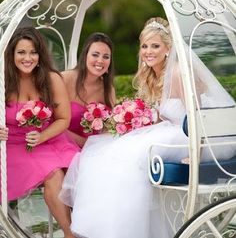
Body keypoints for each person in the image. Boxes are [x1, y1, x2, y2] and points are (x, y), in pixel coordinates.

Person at [60, 17, 236, 238]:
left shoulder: (178, 73)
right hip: (172, 130)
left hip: (193, 137)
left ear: (167, 49)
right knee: (104, 153)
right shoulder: (155, 75)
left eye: (155, 46)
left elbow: (198, 118)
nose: (148, 51)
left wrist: (196, 153)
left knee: (127, 157)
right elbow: (163, 118)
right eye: (145, 46)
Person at [0, 26, 79, 238]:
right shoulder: (3, 80)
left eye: (33, 52)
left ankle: (78, 231)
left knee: (66, 171)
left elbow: (64, 118)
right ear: (12, 54)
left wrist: (41, 136)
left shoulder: (51, 78)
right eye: (21, 52)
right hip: (13, 147)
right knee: (50, 173)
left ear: (40, 54)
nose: (28, 58)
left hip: (49, 140)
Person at [62, 32, 116, 148]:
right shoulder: (64, 80)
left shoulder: (108, 89)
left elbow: (109, 130)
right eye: (95, 55)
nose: (100, 61)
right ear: (85, 55)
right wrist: (83, 143)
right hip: (60, 143)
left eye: (106, 57)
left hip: (91, 150)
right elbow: (49, 122)